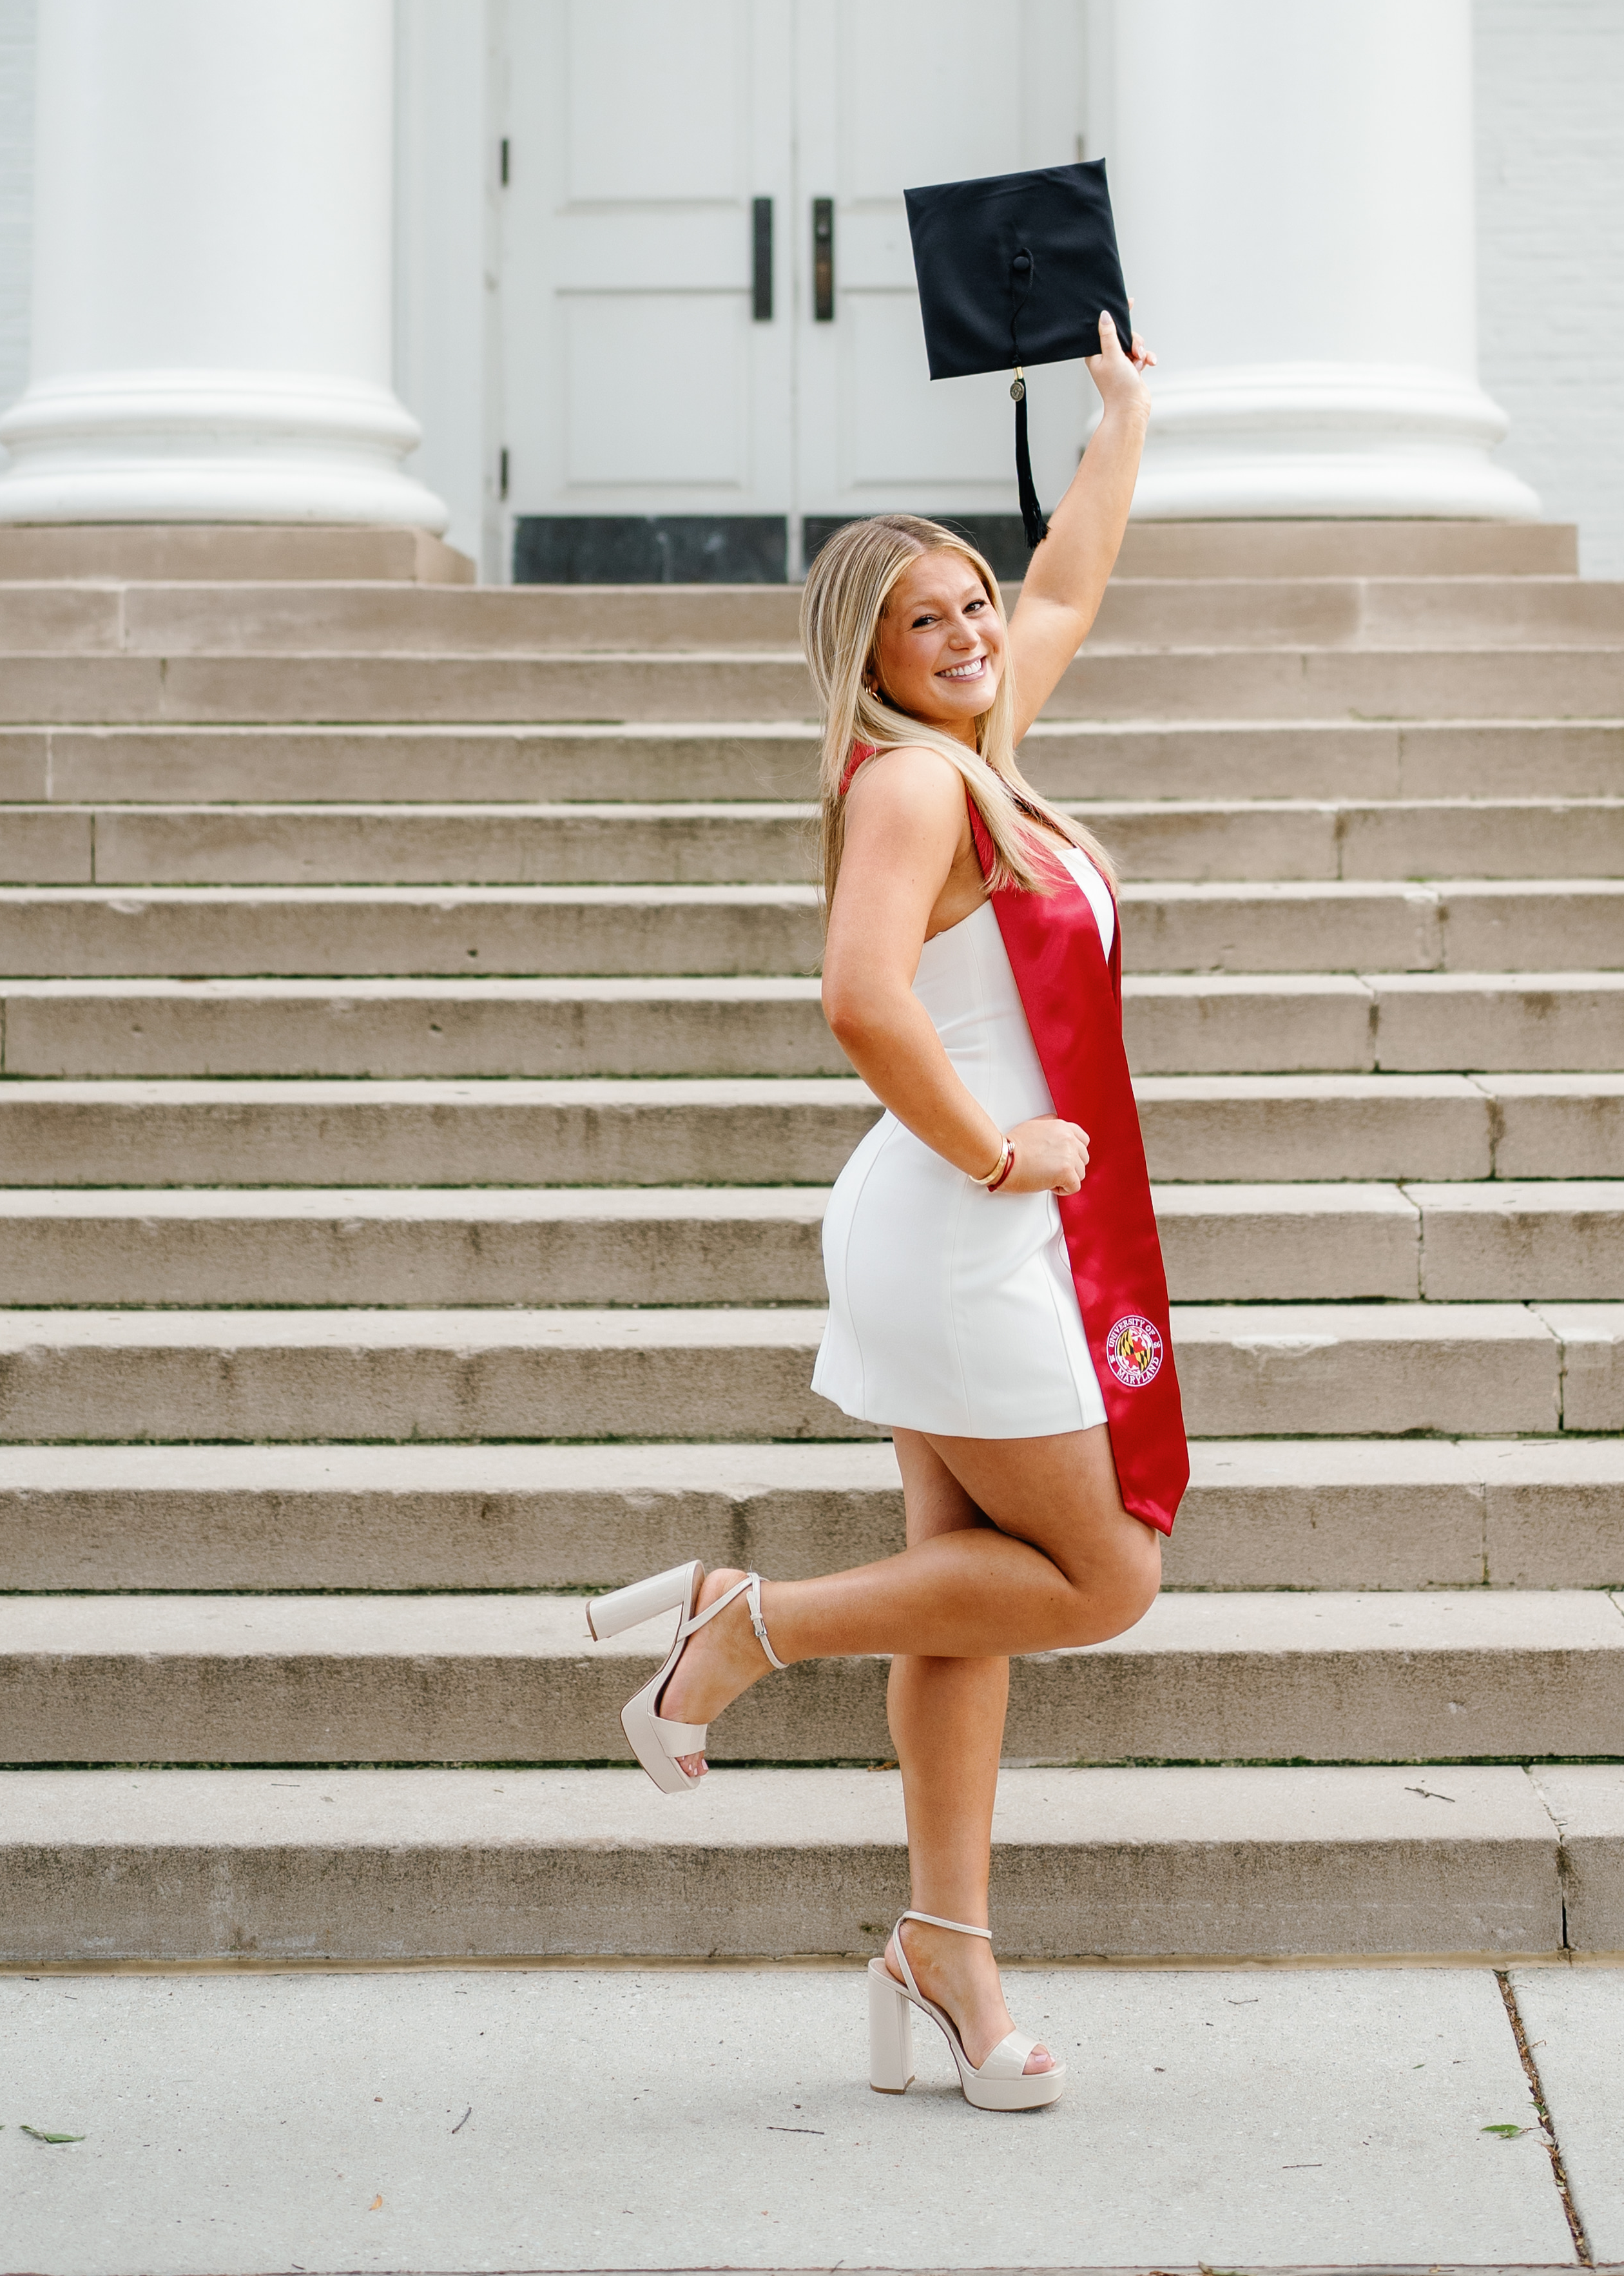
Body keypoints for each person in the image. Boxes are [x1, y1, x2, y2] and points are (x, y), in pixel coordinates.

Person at [586, 308, 1185, 2114]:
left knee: (972, 1608)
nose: (974, 632)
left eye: (972, 605)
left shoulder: (985, 736)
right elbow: (863, 997)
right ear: (870, 653)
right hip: (964, 1216)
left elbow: (1070, 579)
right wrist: (1005, 1153)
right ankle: (746, 1626)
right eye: (927, 619)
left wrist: (1121, 421)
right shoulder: (922, 781)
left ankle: (947, 1966)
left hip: (962, 1220)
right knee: (1099, 1578)